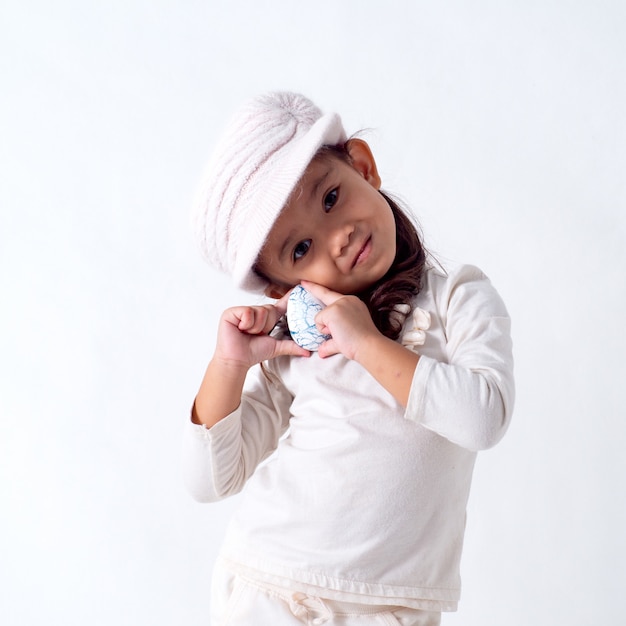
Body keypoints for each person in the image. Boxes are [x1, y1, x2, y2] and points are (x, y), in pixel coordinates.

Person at [183, 92, 515, 626]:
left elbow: (482, 419)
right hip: (273, 587)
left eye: (332, 197)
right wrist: (230, 366)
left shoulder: (459, 299)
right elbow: (208, 482)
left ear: (363, 165)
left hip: (394, 606)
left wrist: (368, 345)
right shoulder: (298, 345)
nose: (337, 238)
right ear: (281, 287)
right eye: (300, 250)